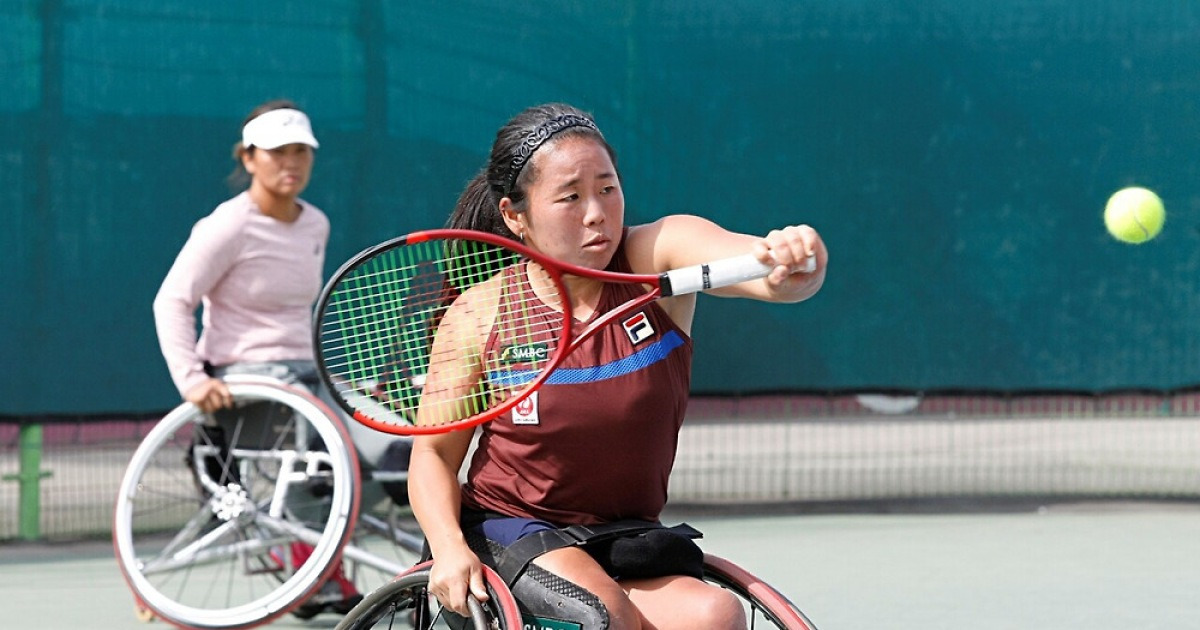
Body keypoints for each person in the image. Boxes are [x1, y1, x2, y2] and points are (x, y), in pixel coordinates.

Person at [408, 103, 827, 630]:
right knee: (601, 614)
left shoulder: (657, 256)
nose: (595, 213)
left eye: (607, 189)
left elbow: (767, 273)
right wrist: (448, 548)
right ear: (516, 216)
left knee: (715, 615)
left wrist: (793, 259)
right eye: (570, 197)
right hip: (507, 532)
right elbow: (433, 455)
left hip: (623, 534)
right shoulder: (479, 314)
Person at [152, 99, 364, 618]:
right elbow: (172, 300)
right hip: (247, 377)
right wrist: (191, 380)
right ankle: (307, 558)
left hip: (306, 371)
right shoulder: (226, 226)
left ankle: (317, 551)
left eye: (301, 152)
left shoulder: (315, 224)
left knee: (386, 444)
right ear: (248, 158)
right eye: (276, 152)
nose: (291, 163)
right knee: (323, 448)